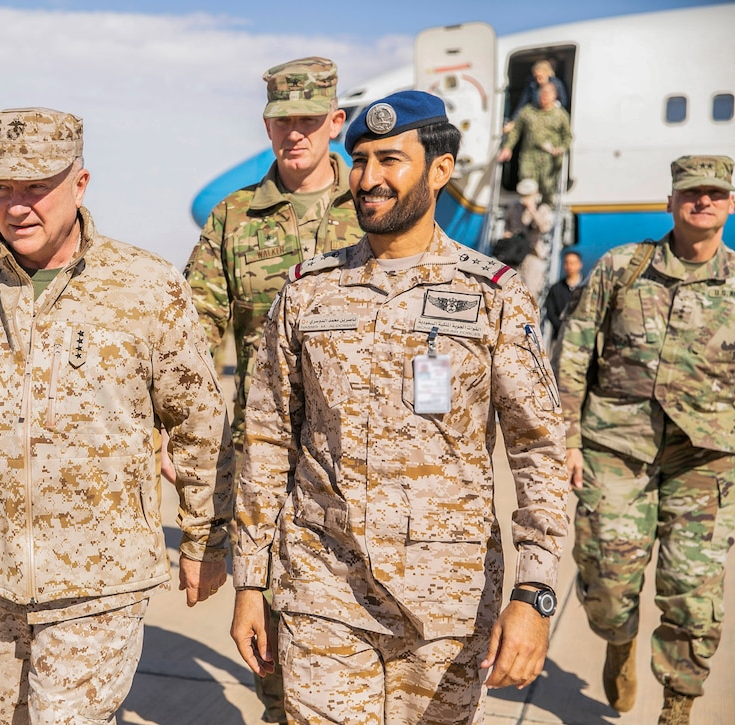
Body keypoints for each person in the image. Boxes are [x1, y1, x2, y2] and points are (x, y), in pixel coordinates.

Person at [0, 107, 234, 724]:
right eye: (2, 189)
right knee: (12, 714)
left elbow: (197, 421)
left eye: (36, 187)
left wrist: (206, 536)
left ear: (80, 184)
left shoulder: (146, 287)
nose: (17, 206)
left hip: (102, 573)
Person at [230, 90, 569, 723]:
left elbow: (539, 451)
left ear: (440, 170)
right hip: (324, 589)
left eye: (391, 160)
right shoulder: (308, 291)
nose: (368, 179)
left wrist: (535, 590)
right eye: (359, 161)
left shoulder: (493, 295)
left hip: (448, 602)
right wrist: (250, 578)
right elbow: (266, 436)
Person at [182, 55, 365, 724]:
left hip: (370, 463)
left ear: (336, 122)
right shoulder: (234, 219)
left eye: (311, 120)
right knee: (279, 664)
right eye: (283, 121)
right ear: (267, 125)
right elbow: (192, 334)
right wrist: (170, 425)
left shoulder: (375, 207)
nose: (297, 134)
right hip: (271, 466)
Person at [555, 154, 735, 725]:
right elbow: (574, 350)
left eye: (714, 193)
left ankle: (677, 706)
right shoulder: (622, 268)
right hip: (618, 446)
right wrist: (568, 439)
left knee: (694, 591)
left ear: (729, 205)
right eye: (690, 193)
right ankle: (617, 640)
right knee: (607, 581)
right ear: (670, 202)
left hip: (706, 458)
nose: (701, 201)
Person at [497, 82, 572, 205]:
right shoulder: (528, 112)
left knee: (548, 190)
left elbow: (568, 136)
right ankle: (527, 216)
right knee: (526, 188)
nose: (544, 97)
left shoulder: (560, 115)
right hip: (529, 157)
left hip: (550, 161)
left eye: (547, 94)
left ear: (554, 96)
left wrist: (561, 148)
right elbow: (515, 131)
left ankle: (544, 218)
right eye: (542, 94)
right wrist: (507, 147)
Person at [500, 177, 554, 299]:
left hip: (532, 253)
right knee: (510, 290)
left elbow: (545, 228)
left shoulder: (543, 209)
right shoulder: (514, 207)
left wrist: (532, 211)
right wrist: (507, 234)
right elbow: (507, 224)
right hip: (514, 254)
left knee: (531, 292)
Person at [543, 249, 583, 338]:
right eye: (567, 263)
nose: (569, 266)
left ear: (580, 265)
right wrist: (563, 328)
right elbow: (551, 313)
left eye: (573, 263)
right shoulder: (556, 289)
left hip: (582, 338)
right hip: (560, 337)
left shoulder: (587, 288)